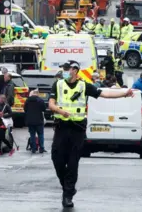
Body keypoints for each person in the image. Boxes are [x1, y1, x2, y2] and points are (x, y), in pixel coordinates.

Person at [49, 60, 134, 208]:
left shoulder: (83, 86)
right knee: (57, 159)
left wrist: (124, 93)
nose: (65, 71)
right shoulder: (58, 84)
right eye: (64, 68)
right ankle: (67, 186)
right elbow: (51, 103)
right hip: (61, 127)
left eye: (67, 68)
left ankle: (68, 194)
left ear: (75, 70)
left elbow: (104, 93)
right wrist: (60, 110)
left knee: (73, 162)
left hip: (77, 129)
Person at [24, 89, 46, 154]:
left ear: (33, 93)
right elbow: (44, 109)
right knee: (41, 135)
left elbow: (25, 109)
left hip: (30, 121)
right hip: (39, 120)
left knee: (32, 135)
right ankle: (41, 148)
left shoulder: (27, 100)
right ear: (38, 94)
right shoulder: (40, 100)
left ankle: (33, 149)